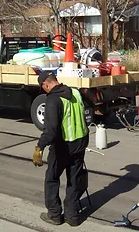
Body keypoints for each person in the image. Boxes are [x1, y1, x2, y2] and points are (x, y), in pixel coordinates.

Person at [33, 70, 89, 227]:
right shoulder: (76, 93)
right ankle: (72, 217)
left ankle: (55, 215)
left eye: (43, 87)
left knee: (52, 179)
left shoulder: (52, 100)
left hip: (62, 146)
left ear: (46, 84)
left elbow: (51, 130)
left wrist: (40, 146)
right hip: (80, 143)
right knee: (74, 180)